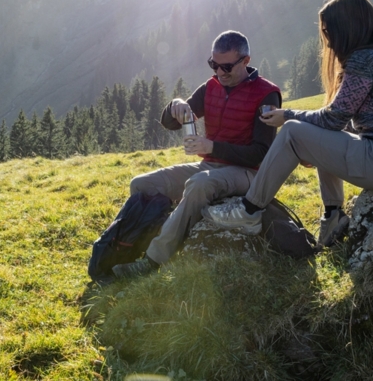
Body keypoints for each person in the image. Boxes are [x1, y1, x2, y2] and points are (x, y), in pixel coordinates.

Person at [208, 0, 373, 247]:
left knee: (293, 130)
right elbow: (342, 124)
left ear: (346, 28)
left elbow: (333, 119)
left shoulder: (364, 59)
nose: (327, 42)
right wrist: (315, 147)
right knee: (320, 134)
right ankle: (333, 217)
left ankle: (248, 210)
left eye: (328, 32)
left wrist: (287, 115)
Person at [111, 30, 281, 278]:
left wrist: (211, 147)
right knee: (141, 184)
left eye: (226, 67)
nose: (220, 72)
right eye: (214, 65)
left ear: (246, 61)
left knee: (199, 184)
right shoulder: (211, 87)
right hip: (210, 167)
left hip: (247, 173)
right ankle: (129, 245)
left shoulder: (266, 94)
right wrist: (176, 104)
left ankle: (152, 260)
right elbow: (170, 123)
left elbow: (261, 153)